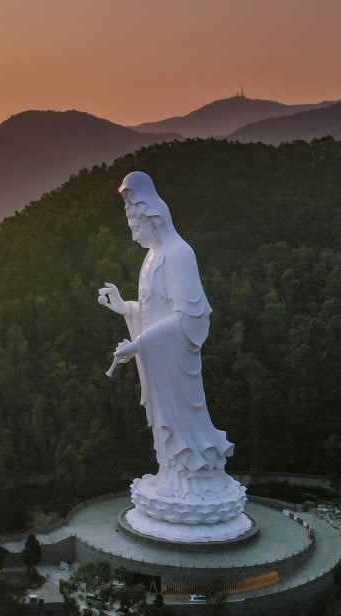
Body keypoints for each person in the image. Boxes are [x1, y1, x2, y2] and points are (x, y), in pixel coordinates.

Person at [98, 171, 234, 500]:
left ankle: (195, 479)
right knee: (163, 421)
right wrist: (124, 308)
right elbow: (152, 310)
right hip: (159, 361)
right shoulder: (152, 256)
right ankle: (173, 474)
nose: (133, 234)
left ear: (153, 217)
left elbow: (187, 318)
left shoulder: (179, 254)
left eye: (136, 226)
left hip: (176, 363)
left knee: (183, 421)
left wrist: (139, 343)